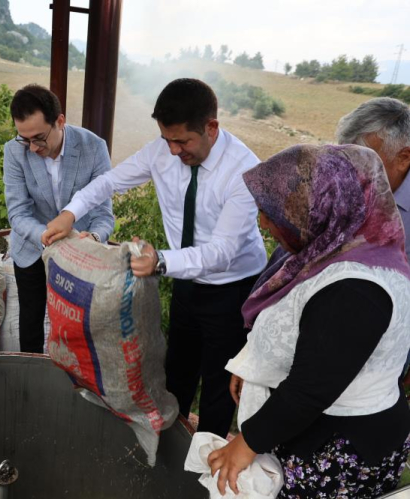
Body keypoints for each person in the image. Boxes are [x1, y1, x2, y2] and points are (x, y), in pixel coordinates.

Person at [43, 78, 266, 437]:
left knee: (217, 386)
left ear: (211, 127)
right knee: (176, 370)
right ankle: (170, 448)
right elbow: (109, 182)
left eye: (183, 141)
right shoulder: (161, 152)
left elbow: (222, 251)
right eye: (167, 140)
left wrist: (160, 261)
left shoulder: (244, 171)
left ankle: (201, 469)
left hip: (231, 289)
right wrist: (70, 212)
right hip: (184, 280)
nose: (175, 151)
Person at [208, 144, 410, 498]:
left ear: (320, 211)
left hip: (339, 449)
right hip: (311, 430)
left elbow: (311, 388)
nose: (264, 222)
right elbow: (298, 325)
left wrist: (246, 444)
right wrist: (254, 364)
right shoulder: (330, 252)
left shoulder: (356, 289)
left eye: (273, 213)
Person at [3, 83, 114, 353]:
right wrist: (46, 237)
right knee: (30, 323)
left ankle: (71, 386)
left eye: (39, 138)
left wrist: (94, 239)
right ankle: (31, 379)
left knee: (75, 326)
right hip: (31, 247)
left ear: (60, 121)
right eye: (24, 138)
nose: (32, 148)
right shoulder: (14, 150)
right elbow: (17, 212)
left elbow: (103, 214)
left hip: (79, 254)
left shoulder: (94, 147)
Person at [336, 97, 410, 386]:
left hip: (387, 352)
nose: (352, 173)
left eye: (365, 159)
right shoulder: (343, 185)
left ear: (404, 157)